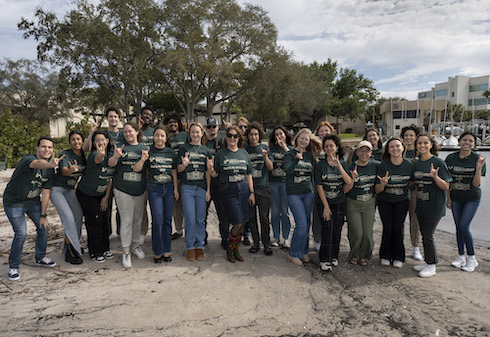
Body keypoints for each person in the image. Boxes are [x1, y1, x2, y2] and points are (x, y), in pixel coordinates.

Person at [4, 136, 61, 281]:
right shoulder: (28, 159)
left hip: (33, 202)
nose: (47, 150)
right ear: (37, 148)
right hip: (14, 203)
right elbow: (38, 164)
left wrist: (43, 214)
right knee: (21, 233)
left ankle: (40, 257)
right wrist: (49, 165)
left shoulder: (50, 171)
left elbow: (46, 192)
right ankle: (13, 266)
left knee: (44, 227)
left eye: (50, 147)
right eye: (43, 147)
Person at [209, 125, 254, 263]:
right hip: (227, 190)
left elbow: (249, 174)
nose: (232, 138)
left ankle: (236, 250)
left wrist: (252, 192)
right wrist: (210, 168)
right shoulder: (221, 154)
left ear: (239, 138)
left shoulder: (244, 153)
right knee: (236, 223)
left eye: (235, 136)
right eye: (229, 136)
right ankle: (230, 248)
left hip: (244, 189)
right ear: (226, 138)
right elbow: (215, 174)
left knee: (243, 222)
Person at [134, 125, 178, 263]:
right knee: (157, 221)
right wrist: (142, 159)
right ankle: (157, 251)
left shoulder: (171, 153)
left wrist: (176, 188)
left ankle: (166, 251)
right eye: (157, 135)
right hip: (155, 189)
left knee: (167, 220)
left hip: (169, 188)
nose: (159, 138)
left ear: (166, 138)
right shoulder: (148, 152)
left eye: (162, 135)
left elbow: (174, 171)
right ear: (153, 137)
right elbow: (138, 169)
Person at [412, 133, 452, 278]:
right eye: (419, 143)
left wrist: (435, 177)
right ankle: (427, 261)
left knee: (428, 235)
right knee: (424, 234)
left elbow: (446, 186)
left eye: (425, 143)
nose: (422, 146)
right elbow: (414, 184)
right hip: (421, 204)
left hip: (435, 205)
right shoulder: (416, 163)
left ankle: (432, 265)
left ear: (431, 145)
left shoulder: (438, 162)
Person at [445, 131, 486, 272]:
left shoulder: (477, 159)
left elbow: (476, 184)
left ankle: (472, 258)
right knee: (458, 227)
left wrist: (479, 169)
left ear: (474, 144)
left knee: (464, 226)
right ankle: (461, 256)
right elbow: (447, 181)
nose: (467, 143)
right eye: (464, 140)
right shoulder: (451, 158)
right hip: (456, 197)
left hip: (471, 198)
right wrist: (448, 198)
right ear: (459, 141)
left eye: (470, 141)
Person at [108, 121, 147, 268]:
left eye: (130, 131)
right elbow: (111, 164)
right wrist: (117, 156)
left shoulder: (144, 148)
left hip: (139, 189)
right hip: (122, 189)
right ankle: (125, 251)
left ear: (137, 131)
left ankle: (135, 245)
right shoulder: (119, 147)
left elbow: (147, 171)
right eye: (125, 132)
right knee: (126, 220)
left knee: (137, 220)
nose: (127, 134)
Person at [83, 106, 124, 236]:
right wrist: (92, 132)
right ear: (107, 119)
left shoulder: (123, 134)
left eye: (115, 116)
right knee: (106, 205)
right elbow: (86, 148)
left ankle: (121, 232)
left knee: (121, 207)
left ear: (119, 118)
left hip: (119, 175)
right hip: (104, 175)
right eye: (110, 116)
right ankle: (107, 233)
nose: (113, 119)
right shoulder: (102, 134)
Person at [284, 128, 322, 266]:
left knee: (307, 223)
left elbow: (313, 175)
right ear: (297, 139)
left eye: (306, 139)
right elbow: (287, 171)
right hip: (294, 194)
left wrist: (312, 189)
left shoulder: (311, 156)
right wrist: (296, 160)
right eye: (301, 138)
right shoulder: (289, 154)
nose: (304, 141)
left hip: (308, 193)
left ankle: (303, 251)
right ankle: (293, 253)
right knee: (301, 224)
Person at [375, 137, 414, 269]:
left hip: (402, 201)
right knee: (388, 228)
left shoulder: (409, 165)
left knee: (398, 228)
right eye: (392, 147)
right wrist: (383, 184)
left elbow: (411, 182)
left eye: (398, 146)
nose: (395, 149)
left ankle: (398, 256)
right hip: (385, 200)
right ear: (388, 150)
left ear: (403, 148)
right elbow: (377, 190)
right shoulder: (383, 166)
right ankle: (385, 255)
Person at [76, 130, 115, 263]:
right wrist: (100, 153)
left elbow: (110, 179)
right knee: (94, 221)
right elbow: (99, 159)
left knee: (104, 220)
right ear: (93, 143)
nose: (100, 142)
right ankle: (95, 251)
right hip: (87, 194)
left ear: (107, 141)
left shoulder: (111, 156)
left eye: (102, 140)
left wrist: (106, 197)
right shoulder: (94, 155)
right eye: (97, 140)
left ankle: (105, 248)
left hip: (102, 194)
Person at [314, 134, 351, 271]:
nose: (329, 148)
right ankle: (324, 259)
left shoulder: (342, 163)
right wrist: (325, 207)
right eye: (326, 146)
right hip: (324, 203)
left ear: (336, 147)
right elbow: (319, 186)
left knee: (337, 229)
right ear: (323, 148)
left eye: (331, 146)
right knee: (327, 229)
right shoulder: (320, 166)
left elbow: (348, 182)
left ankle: (334, 256)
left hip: (340, 202)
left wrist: (339, 167)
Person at [176, 123, 211, 261]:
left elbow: (208, 171)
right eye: (193, 132)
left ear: (202, 133)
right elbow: (178, 170)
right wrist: (183, 165)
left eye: (198, 132)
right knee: (190, 219)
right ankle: (190, 246)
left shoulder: (206, 150)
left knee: (200, 219)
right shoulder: (183, 148)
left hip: (201, 188)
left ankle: (199, 245)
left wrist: (208, 190)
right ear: (189, 133)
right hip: (187, 188)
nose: (195, 134)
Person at [50, 130, 86, 265]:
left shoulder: (83, 156)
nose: (76, 142)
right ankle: (71, 252)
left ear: (82, 141)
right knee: (69, 219)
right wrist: (71, 170)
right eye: (73, 140)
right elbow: (64, 171)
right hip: (57, 190)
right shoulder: (65, 154)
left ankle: (73, 246)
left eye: (78, 139)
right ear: (70, 142)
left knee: (78, 215)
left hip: (69, 190)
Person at [344, 140, 378, 266]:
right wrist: (352, 179)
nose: (364, 153)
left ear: (371, 153)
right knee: (356, 233)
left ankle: (364, 255)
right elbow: (345, 189)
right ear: (357, 152)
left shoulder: (375, 166)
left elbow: (378, 185)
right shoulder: (350, 167)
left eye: (367, 151)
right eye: (361, 150)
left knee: (368, 234)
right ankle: (354, 254)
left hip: (369, 202)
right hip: (353, 203)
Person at [244, 122, 274, 256]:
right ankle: (255, 243)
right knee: (251, 217)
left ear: (260, 135)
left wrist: (265, 156)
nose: (253, 137)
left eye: (256, 134)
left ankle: (266, 244)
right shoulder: (244, 150)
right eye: (251, 134)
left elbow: (271, 167)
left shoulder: (264, 148)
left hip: (263, 188)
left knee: (264, 217)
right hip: (248, 188)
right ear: (248, 136)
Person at [204, 116, 228, 248]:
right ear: (205, 128)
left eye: (214, 126)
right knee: (202, 214)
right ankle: (203, 237)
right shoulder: (202, 142)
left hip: (220, 184)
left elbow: (238, 140)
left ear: (218, 128)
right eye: (209, 127)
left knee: (223, 214)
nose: (212, 129)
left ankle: (225, 238)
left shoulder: (224, 141)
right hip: (205, 184)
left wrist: (230, 128)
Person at [268, 126, 294, 248]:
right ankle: (276, 236)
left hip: (285, 183)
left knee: (285, 211)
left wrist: (284, 146)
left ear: (285, 135)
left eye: (281, 134)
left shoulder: (291, 148)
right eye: (277, 134)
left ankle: (286, 238)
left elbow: (293, 159)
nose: (279, 136)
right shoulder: (271, 149)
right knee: (274, 212)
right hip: (273, 182)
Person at [164, 113, 188, 240]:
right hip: (171, 175)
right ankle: (179, 230)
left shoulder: (185, 135)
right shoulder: (166, 137)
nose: (173, 124)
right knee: (176, 204)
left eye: (175, 122)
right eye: (170, 122)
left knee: (188, 204)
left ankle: (189, 228)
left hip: (185, 175)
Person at [400, 124, 423, 261]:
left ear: (415, 137)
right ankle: (400, 246)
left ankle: (415, 247)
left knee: (415, 221)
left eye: (411, 135)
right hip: (400, 191)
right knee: (399, 222)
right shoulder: (399, 150)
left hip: (415, 192)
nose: (408, 138)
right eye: (406, 135)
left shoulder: (420, 153)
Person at [312, 121, 335, 251]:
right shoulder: (315, 148)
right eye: (322, 131)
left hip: (332, 185)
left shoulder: (332, 146)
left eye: (327, 130)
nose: (324, 133)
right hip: (317, 185)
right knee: (317, 213)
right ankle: (317, 239)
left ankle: (330, 240)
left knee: (332, 213)